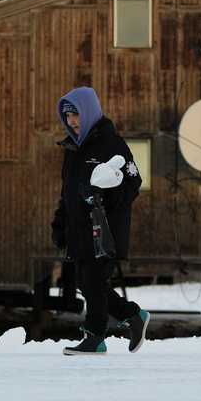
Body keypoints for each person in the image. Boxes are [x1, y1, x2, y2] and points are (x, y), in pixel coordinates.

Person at [50, 86, 149, 355]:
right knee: (87, 282)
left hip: (104, 228)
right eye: (68, 116)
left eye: (76, 115)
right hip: (78, 230)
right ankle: (133, 316)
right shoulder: (72, 148)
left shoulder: (112, 144)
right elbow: (67, 194)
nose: (72, 121)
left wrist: (103, 195)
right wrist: (60, 225)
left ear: (89, 112)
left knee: (93, 281)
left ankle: (95, 337)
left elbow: (133, 183)